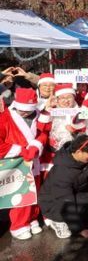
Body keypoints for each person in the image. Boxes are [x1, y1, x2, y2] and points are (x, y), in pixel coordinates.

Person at [0, 87, 50, 239]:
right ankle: (19, 225)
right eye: (22, 110)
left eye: (28, 110)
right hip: (16, 164)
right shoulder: (4, 118)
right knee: (21, 195)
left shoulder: (39, 115)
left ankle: (32, 219)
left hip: (34, 160)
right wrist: (20, 150)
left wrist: (36, 145)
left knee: (35, 192)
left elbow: (43, 133)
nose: (25, 113)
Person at [38, 134, 88, 239]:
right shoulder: (62, 172)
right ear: (78, 152)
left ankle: (74, 219)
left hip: (74, 193)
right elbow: (65, 202)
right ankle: (57, 221)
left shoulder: (80, 160)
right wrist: (79, 229)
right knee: (84, 209)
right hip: (54, 203)